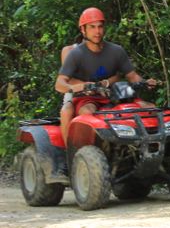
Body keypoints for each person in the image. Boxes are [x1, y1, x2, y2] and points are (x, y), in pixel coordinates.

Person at [56, 8, 158, 151]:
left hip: (115, 95)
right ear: (83, 30)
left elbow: (132, 76)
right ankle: (77, 153)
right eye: (92, 27)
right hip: (87, 98)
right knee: (84, 111)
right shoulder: (74, 53)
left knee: (151, 108)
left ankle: (149, 148)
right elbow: (60, 83)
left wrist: (145, 82)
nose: (97, 31)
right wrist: (82, 87)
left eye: (100, 26)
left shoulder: (116, 51)